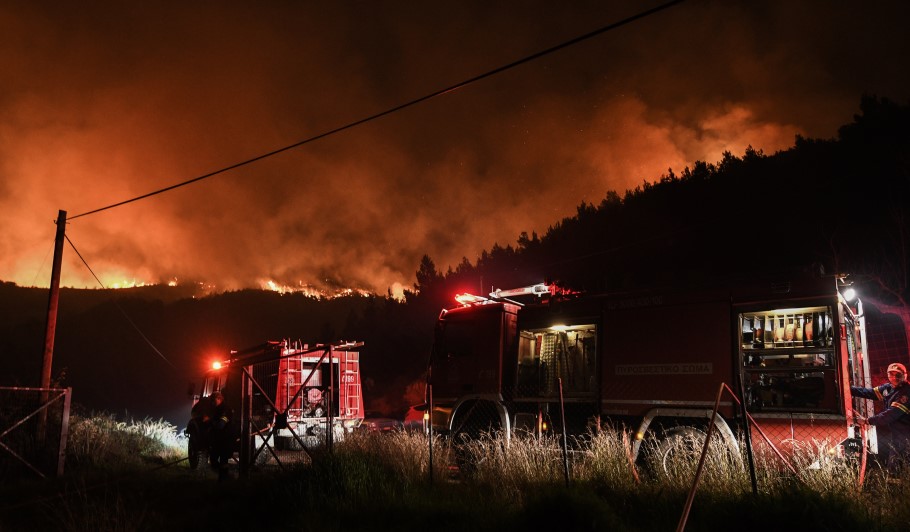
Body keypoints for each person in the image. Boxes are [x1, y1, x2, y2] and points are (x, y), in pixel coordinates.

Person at [851, 362, 910, 469]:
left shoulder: (906, 392)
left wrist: (867, 420)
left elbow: (890, 415)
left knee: (897, 466)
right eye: (892, 374)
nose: (894, 377)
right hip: (898, 435)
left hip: (906, 436)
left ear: (904, 376)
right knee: (895, 465)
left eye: (898, 375)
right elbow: (869, 393)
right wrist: (847, 389)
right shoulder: (889, 388)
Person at [208, 391, 235, 482]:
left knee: (223, 461)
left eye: (213, 400)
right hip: (218, 439)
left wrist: (210, 421)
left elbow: (220, 425)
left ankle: (224, 479)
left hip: (225, 439)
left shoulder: (225, 409)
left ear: (219, 399)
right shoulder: (217, 408)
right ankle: (225, 477)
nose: (212, 402)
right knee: (214, 460)